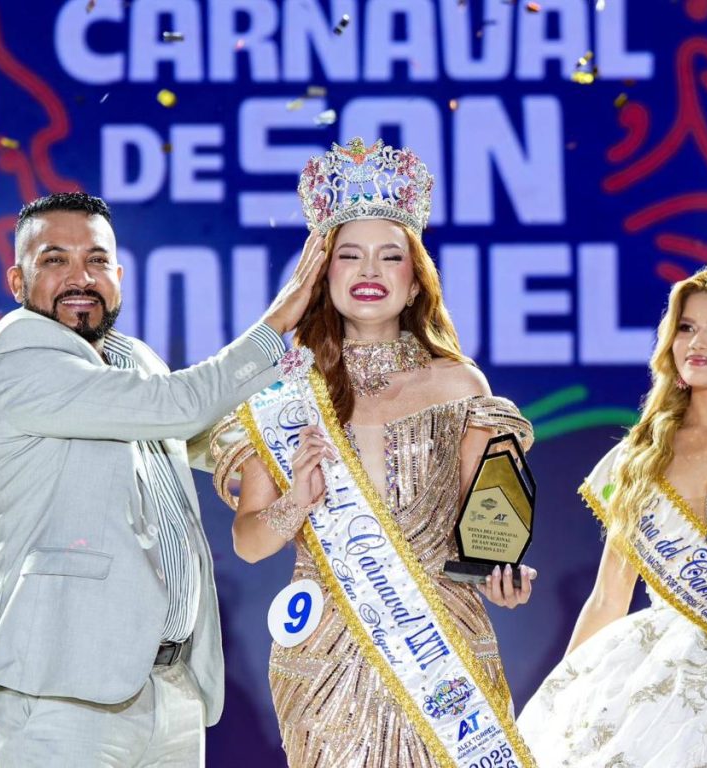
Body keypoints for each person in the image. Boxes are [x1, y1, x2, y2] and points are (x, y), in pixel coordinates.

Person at [209, 138, 538, 767]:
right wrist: (296, 503)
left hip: (441, 645)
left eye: (391, 256)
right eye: (349, 255)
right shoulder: (283, 393)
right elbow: (249, 542)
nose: (369, 271)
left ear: (415, 283)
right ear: (321, 275)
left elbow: (484, 535)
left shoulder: (460, 385)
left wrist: (501, 575)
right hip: (326, 657)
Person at [0, 191, 324, 766]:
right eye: (55, 260)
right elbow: (182, 407)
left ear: (119, 276)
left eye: (97, 260)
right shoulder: (20, 350)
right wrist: (278, 323)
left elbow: (205, 436)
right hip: (64, 692)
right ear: (17, 280)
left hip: (171, 687)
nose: (80, 277)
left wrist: (303, 435)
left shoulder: (135, 359)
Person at [517, 259, 707, 766]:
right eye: (686, 327)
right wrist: (561, 698)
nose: (697, 342)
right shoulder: (639, 454)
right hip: (659, 670)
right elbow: (608, 598)